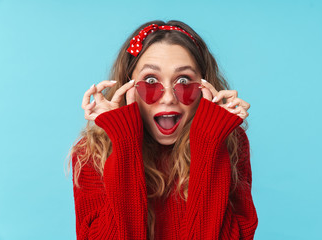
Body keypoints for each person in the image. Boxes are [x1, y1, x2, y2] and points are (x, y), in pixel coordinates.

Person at [69, 20, 258, 240]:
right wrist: (124, 143)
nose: (168, 98)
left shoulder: (229, 141)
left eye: (184, 80)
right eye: (150, 80)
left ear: (205, 87)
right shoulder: (92, 152)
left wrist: (209, 144)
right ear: (127, 86)